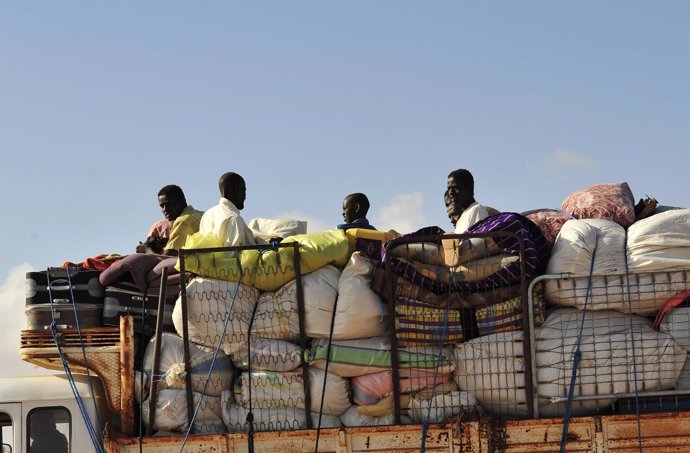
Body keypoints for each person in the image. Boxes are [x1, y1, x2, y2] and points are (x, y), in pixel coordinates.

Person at [199, 172, 256, 247]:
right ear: (234, 190)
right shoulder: (234, 219)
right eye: (243, 191)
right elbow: (233, 255)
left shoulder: (207, 214)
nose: (245, 196)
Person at [157, 185, 204, 256]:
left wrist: (147, 250)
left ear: (182, 201)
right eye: (162, 206)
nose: (165, 209)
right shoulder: (201, 214)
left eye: (168, 204)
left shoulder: (182, 221)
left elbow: (167, 258)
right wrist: (168, 242)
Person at [446, 168, 491, 234]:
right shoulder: (461, 218)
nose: (451, 192)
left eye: (456, 188)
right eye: (449, 188)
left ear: (470, 188)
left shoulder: (477, 209)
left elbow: (479, 241)